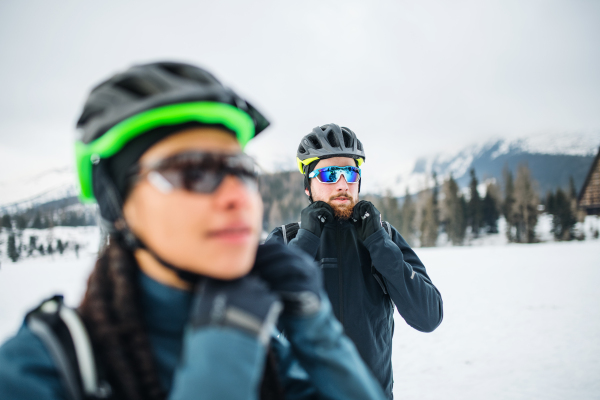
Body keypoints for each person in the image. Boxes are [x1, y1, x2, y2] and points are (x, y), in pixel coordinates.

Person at [0, 63, 387, 400]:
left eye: (241, 170)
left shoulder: (267, 351)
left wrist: (316, 329)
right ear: (117, 204)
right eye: (193, 173)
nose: (238, 196)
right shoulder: (37, 371)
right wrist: (223, 352)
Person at [265, 123, 444, 398]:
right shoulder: (286, 241)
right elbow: (261, 317)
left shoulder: (383, 236)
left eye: (350, 173)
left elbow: (428, 316)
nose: (342, 184)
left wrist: (379, 244)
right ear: (307, 186)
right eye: (328, 174)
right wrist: (307, 241)